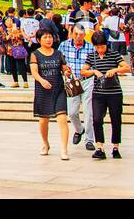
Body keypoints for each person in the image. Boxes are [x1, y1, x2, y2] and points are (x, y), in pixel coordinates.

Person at [81, 30, 129, 159]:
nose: (100, 49)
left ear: (106, 44)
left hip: (114, 93)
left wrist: (114, 70)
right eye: (97, 47)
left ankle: (115, 147)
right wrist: (94, 71)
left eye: (102, 46)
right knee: (97, 119)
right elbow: (83, 71)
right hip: (98, 93)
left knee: (116, 120)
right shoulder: (92, 56)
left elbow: (127, 67)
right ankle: (100, 147)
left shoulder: (114, 54)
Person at [30, 29, 69, 159]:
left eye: (50, 37)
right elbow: (34, 71)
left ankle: (64, 149)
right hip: (43, 91)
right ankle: (45, 143)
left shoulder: (58, 54)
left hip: (58, 89)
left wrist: (67, 72)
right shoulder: (35, 54)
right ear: (39, 40)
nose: (48, 40)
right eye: (45, 37)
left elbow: (64, 69)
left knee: (62, 118)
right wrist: (42, 80)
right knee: (43, 121)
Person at [60, 23, 95, 151]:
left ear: (85, 35)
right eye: (76, 34)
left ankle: (89, 140)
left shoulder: (90, 48)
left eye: (81, 35)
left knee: (88, 111)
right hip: (72, 81)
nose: (78, 37)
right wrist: (64, 71)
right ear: (71, 34)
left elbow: (95, 65)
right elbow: (60, 61)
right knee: (72, 112)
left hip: (87, 81)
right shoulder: (64, 45)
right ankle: (80, 130)